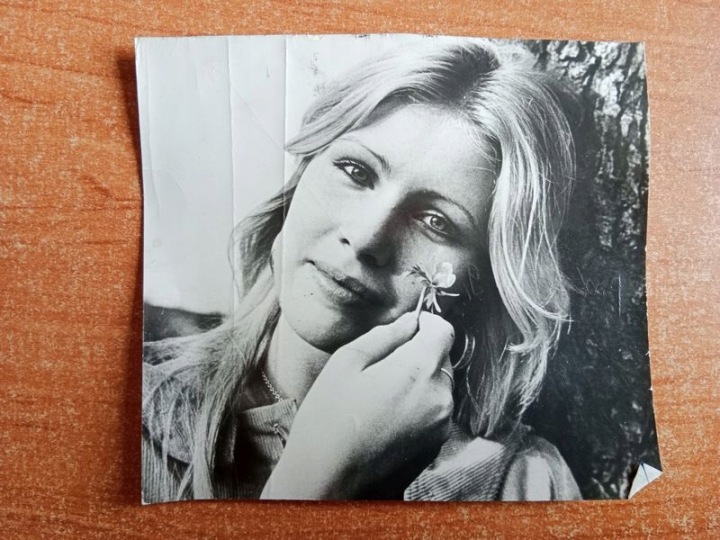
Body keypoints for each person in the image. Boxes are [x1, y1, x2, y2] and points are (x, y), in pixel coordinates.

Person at [141, 38, 582, 503]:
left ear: (482, 281)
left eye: (436, 222)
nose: (368, 238)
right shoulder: (133, 410)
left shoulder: (526, 484)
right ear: (301, 175)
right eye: (355, 171)